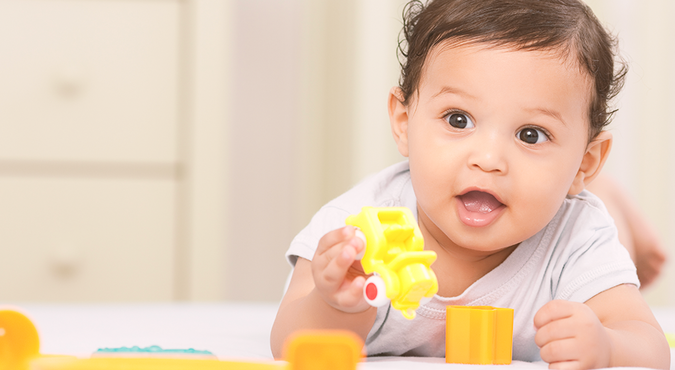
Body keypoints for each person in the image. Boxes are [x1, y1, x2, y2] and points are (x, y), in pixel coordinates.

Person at [271, 1, 670, 369]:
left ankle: (605, 196)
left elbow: (650, 346)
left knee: (592, 219)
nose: (488, 160)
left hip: (575, 206)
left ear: (586, 161)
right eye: (458, 120)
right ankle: (604, 191)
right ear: (404, 123)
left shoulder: (577, 236)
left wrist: (607, 344)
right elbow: (288, 343)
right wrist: (335, 305)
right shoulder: (356, 229)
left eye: (531, 135)